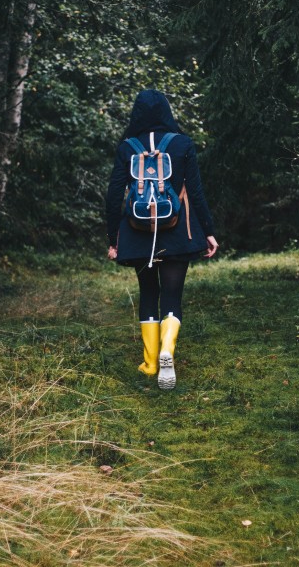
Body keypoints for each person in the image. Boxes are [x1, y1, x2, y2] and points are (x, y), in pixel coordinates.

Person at [106, 89, 219, 390]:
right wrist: (208, 230)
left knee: (148, 293)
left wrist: (113, 237)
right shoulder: (182, 144)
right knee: (172, 295)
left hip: (137, 231)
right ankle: (168, 350)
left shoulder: (127, 147)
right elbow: (195, 192)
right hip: (177, 230)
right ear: (167, 112)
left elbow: (115, 194)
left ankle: (151, 362)